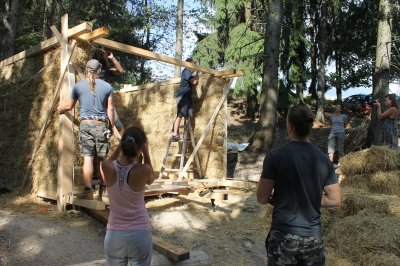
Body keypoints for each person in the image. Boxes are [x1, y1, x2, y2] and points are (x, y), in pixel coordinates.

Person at [256, 104, 342, 266]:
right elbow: (335, 200)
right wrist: (310, 197)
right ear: (311, 127)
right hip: (313, 239)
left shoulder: (275, 156)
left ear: (290, 126)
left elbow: (261, 197)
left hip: (283, 237)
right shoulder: (324, 160)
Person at [58, 59, 115, 199]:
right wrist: (111, 127)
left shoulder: (78, 86)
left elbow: (69, 106)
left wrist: (60, 109)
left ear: (87, 69)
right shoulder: (107, 87)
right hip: (101, 125)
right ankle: (103, 188)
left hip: (86, 125)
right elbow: (111, 109)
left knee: (88, 158)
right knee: (102, 159)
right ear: (99, 70)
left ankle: (88, 189)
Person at [101, 126, 155, 265]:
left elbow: (108, 161)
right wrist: (146, 153)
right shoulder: (143, 170)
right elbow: (151, 178)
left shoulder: (107, 167)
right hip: (139, 233)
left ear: (123, 144)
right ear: (140, 147)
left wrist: (119, 146)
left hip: (114, 235)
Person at [92, 48, 125, 137]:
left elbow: (120, 70)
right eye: (105, 55)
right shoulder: (91, 69)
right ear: (100, 57)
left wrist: (112, 58)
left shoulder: (107, 71)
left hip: (107, 100)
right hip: (96, 100)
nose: (107, 57)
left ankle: (124, 144)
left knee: (117, 123)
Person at [170, 58, 198, 141]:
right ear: (188, 64)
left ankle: (186, 135)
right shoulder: (186, 71)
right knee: (179, 116)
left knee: (188, 117)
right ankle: (175, 134)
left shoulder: (189, 73)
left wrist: (195, 74)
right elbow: (194, 82)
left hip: (187, 98)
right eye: (193, 64)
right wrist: (197, 74)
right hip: (183, 97)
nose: (193, 66)